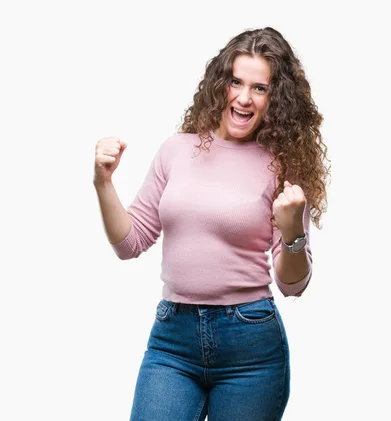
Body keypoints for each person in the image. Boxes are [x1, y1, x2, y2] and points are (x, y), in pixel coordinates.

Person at [93, 27, 329, 420]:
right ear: (220, 84)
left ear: (276, 99)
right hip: (172, 341)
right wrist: (103, 182)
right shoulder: (177, 150)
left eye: (260, 88)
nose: (243, 97)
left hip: (250, 346)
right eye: (236, 81)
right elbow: (129, 242)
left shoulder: (282, 167)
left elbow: (292, 284)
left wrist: (292, 233)